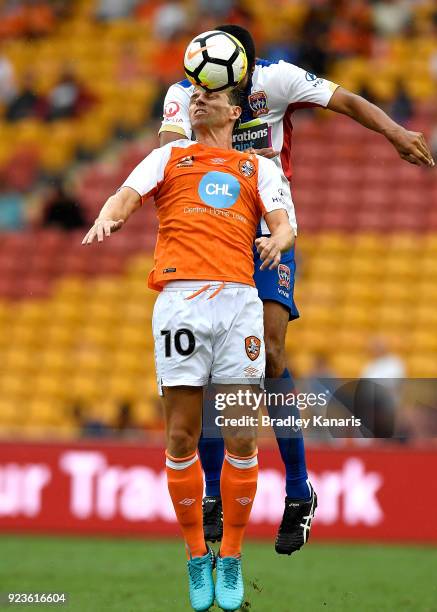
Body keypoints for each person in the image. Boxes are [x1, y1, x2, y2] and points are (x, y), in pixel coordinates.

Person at [159, 24, 435, 556]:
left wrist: (395, 132)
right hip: (212, 238)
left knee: (272, 351)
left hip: (270, 229)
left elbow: (346, 99)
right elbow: (168, 156)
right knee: (220, 368)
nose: (205, 89)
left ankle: (297, 488)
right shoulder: (183, 96)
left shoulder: (276, 80)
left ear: (244, 69)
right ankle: (214, 492)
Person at [82, 86, 293, 612]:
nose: (199, 99)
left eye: (211, 94)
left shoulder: (258, 168)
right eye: (194, 93)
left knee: (242, 436)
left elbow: (285, 223)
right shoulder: (167, 157)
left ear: (236, 109)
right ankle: (198, 555)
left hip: (239, 304)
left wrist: (277, 240)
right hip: (180, 304)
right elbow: (126, 194)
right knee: (182, 434)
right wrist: (111, 215)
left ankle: (234, 556)